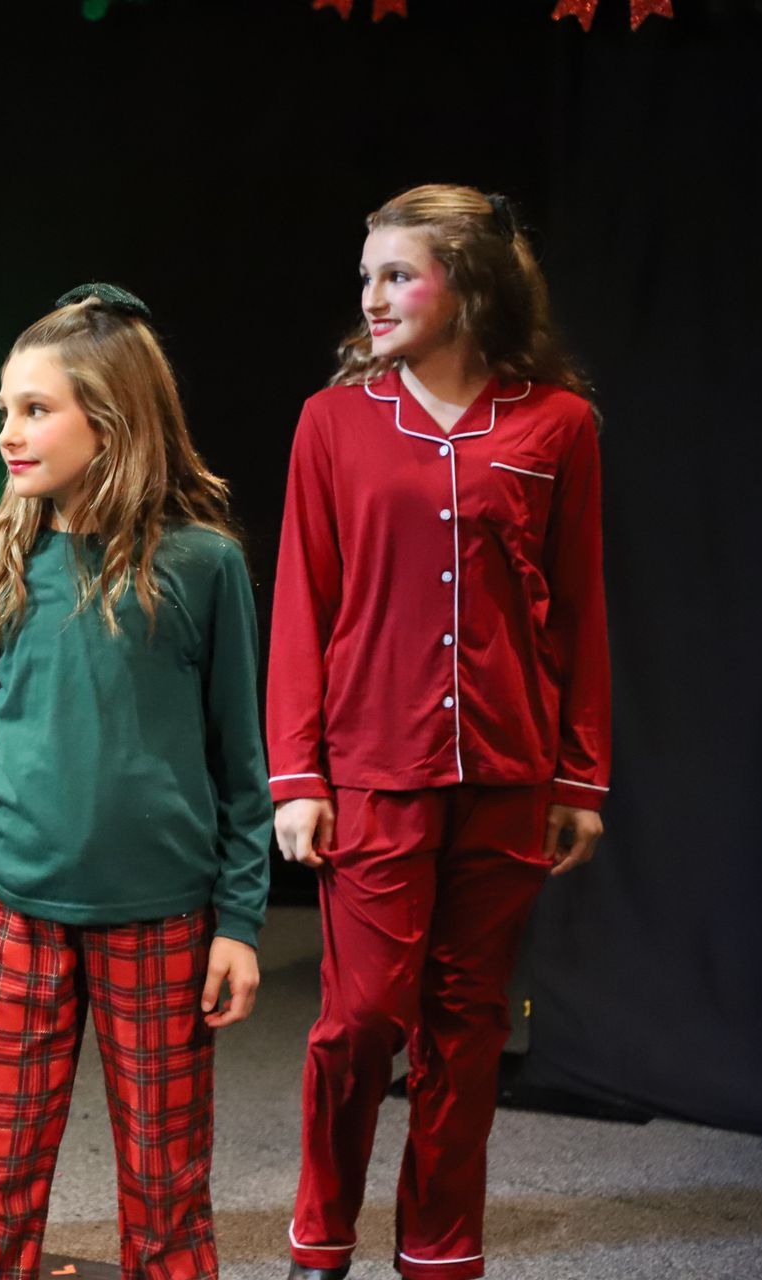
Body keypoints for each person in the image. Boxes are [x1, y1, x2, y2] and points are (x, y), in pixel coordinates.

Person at [269, 186, 610, 1280]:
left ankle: (440, 1254)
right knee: (360, 1018)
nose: (372, 297)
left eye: (398, 274)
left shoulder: (558, 423)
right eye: (366, 276)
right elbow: (302, 605)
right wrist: (296, 772)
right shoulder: (334, 422)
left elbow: (582, 603)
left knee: (467, 1029)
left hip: (509, 768)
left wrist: (581, 775)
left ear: (468, 282)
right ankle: (320, 1241)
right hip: (373, 767)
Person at [0, 284, 271, 1280]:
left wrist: (240, 920)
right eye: (4, 409)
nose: (8, 433)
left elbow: (240, 763)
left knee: (167, 1195)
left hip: (162, 920)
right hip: (12, 915)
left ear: (110, 422)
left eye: (36, 409)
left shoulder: (203, 567)